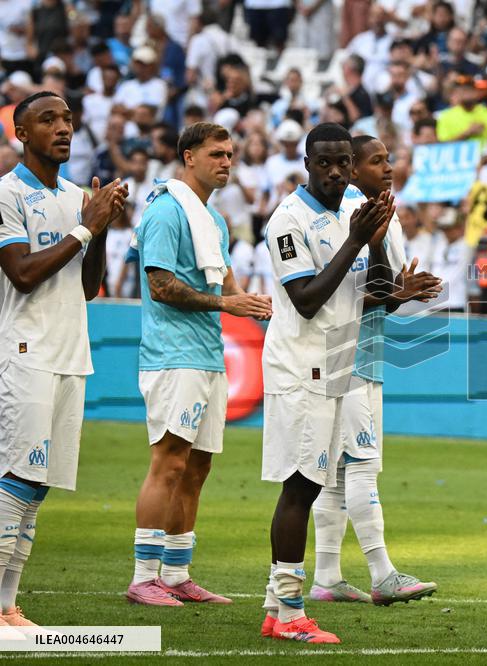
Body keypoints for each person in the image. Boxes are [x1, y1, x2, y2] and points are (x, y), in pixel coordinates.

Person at [127, 122, 272, 607]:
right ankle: (143, 576)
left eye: (230, 154)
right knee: (168, 462)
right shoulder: (167, 211)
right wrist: (227, 305)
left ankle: (175, 573)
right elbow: (161, 286)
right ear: (188, 156)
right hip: (173, 356)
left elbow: (226, 281)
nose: (226, 162)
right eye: (216, 153)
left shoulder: (212, 220)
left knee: (197, 467)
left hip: (206, 355)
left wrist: (248, 302)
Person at [258, 123, 393, 642]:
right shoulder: (289, 220)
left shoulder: (349, 213)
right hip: (301, 367)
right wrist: (356, 240)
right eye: (325, 163)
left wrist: (374, 243)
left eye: (343, 163)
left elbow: (377, 292)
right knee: (300, 487)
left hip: (336, 366)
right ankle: (291, 615)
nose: (336, 172)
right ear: (307, 164)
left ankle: (277, 606)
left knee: (310, 485)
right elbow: (308, 299)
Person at [0, 92, 126, 627]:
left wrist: (98, 228)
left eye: (68, 119)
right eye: (47, 119)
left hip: (70, 351)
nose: (63, 128)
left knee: (38, 484)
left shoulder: (78, 195)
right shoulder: (7, 193)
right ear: (21, 133)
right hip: (24, 351)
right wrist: (83, 228)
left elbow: (90, 284)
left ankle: (7, 605)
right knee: (15, 476)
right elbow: (22, 274)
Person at [309, 135, 441, 606]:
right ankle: (383, 574)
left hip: (366, 349)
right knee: (362, 465)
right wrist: (395, 292)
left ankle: (326, 577)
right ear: (350, 168)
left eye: (389, 158)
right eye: (376, 160)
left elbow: (383, 291)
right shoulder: (339, 214)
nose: (388, 167)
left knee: (339, 474)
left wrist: (406, 289)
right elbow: (324, 295)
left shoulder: (386, 212)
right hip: (342, 354)